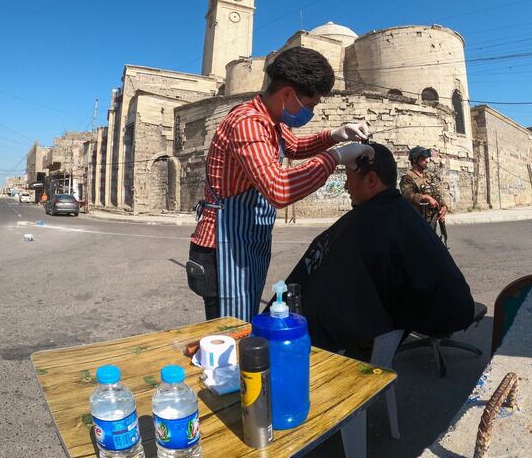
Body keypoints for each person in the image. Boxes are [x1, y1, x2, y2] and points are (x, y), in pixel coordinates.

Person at [186, 47, 373, 322]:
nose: (310, 111)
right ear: (287, 93)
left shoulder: (273, 122)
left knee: (244, 323)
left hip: (244, 242)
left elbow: (294, 146)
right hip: (221, 247)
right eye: (310, 104)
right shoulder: (248, 123)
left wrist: (335, 135)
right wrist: (337, 157)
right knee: (228, 333)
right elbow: (279, 188)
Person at [280, 143, 475, 359]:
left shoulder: (368, 222)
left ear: (371, 180)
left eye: (348, 178)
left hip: (435, 314)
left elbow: (333, 299)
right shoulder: (397, 211)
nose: (346, 186)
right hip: (447, 307)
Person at [400, 146, 449, 245]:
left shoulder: (429, 177)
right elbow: (407, 195)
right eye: (423, 158)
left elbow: (437, 194)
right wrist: (425, 197)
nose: (427, 161)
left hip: (432, 221)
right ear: (414, 160)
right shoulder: (408, 178)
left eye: (427, 158)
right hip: (416, 222)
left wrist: (444, 206)